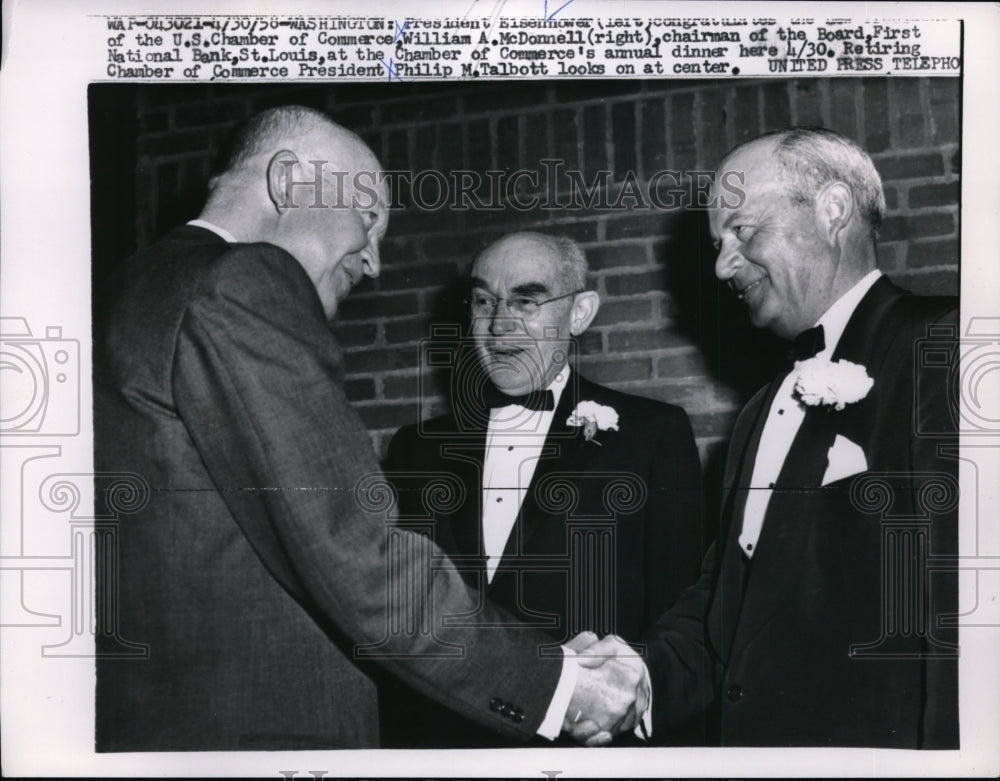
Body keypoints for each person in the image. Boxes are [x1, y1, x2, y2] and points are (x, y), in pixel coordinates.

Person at [93, 106, 646, 751]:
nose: (376, 261)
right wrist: (556, 685)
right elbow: (354, 549)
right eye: (368, 219)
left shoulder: (119, 290)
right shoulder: (241, 282)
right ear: (291, 182)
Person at [575, 127, 959, 748]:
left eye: (743, 230)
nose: (723, 264)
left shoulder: (944, 348)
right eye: (718, 243)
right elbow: (729, 605)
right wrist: (635, 681)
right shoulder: (759, 411)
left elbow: (967, 614)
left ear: (833, 210)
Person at [379, 232, 705, 747]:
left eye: (526, 300)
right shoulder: (415, 450)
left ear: (579, 314)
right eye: (484, 301)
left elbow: (680, 617)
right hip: (443, 748)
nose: (500, 323)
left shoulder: (651, 434)